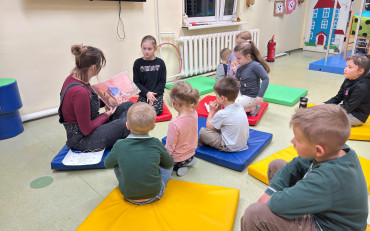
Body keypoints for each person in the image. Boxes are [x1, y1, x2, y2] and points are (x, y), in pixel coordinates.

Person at [241, 104, 368, 231]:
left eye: (298, 139)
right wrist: (271, 191)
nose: (292, 141)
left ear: (318, 150)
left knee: (254, 214)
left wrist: (271, 200)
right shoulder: (336, 149)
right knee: (277, 166)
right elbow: (296, 164)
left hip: (325, 226)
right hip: (324, 210)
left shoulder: (327, 179)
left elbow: (278, 205)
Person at [58, 44, 133, 151]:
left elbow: (86, 105)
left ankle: (122, 133)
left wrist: (109, 100)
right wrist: (107, 115)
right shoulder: (80, 91)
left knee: (128, 106)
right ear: (93, 68)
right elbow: (86, 130)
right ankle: (124, 134)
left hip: (90, 125)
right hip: (81, 139)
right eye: (100, 65)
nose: (100, 68)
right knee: (125, 124)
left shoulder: (75, 78)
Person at [104, 102, 174, 205]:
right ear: (153, 126)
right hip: (155, 194)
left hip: (128, 195)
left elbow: (107, 164)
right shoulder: (156, 143)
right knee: (168, 164)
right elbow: (169, 164)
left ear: (127, 125)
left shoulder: (119, 145)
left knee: (117, 163)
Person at [198, 77, 249, 152]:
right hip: (242, 143)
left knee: (203, 132)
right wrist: (218, 109)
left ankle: (202, 142)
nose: (215, 97)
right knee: (219, 126)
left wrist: (212, 111)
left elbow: (208, 127)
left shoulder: (222, 114)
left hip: (229, 146)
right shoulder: (239, 106)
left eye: (216, 95)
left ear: (222, 98)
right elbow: (227, 118)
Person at [324, 54, 370, 126]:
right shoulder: (349, 78)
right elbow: (339, 97)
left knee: (323, 118)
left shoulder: (361, 88)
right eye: (346, 66)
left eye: (350, 67)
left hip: (356, 116)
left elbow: (348, 108)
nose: (345, 69)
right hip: (347, 109)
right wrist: (325, 104)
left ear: (360, 71)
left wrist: (330, 110)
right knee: (322, 111)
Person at [165, 81, 200, 177]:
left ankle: (182, 164)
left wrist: (163, 160)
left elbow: (170, 147)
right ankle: (189, 162)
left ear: (175, 103)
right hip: (192, 153)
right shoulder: (194, 113)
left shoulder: (174, 124)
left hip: (177, 160)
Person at [234, 41, 270, 116]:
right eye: (236, 58)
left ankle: (252, 107)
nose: (237, 61)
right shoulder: (240, 67)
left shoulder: (255, 65)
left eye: (239, 58)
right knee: (229, 102)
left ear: (248, 56)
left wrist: (260, 96)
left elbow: (265, 79)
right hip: (242, 94)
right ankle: (247, 108)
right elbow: (235, 81)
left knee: (233, 106)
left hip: (252, 97)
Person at [133, 35, 166, 115]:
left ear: (155, 48)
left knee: (157, 111)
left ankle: (150, 106)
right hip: (144, 94)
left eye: (149, 49)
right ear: (141, 48)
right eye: (144, 49)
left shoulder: (160, 63)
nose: (146, 51)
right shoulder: (137, 63)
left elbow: (162, 81)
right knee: (137, 111)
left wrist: (152, 95)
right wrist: (147, 93)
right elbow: (136, 82)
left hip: (156, 94)